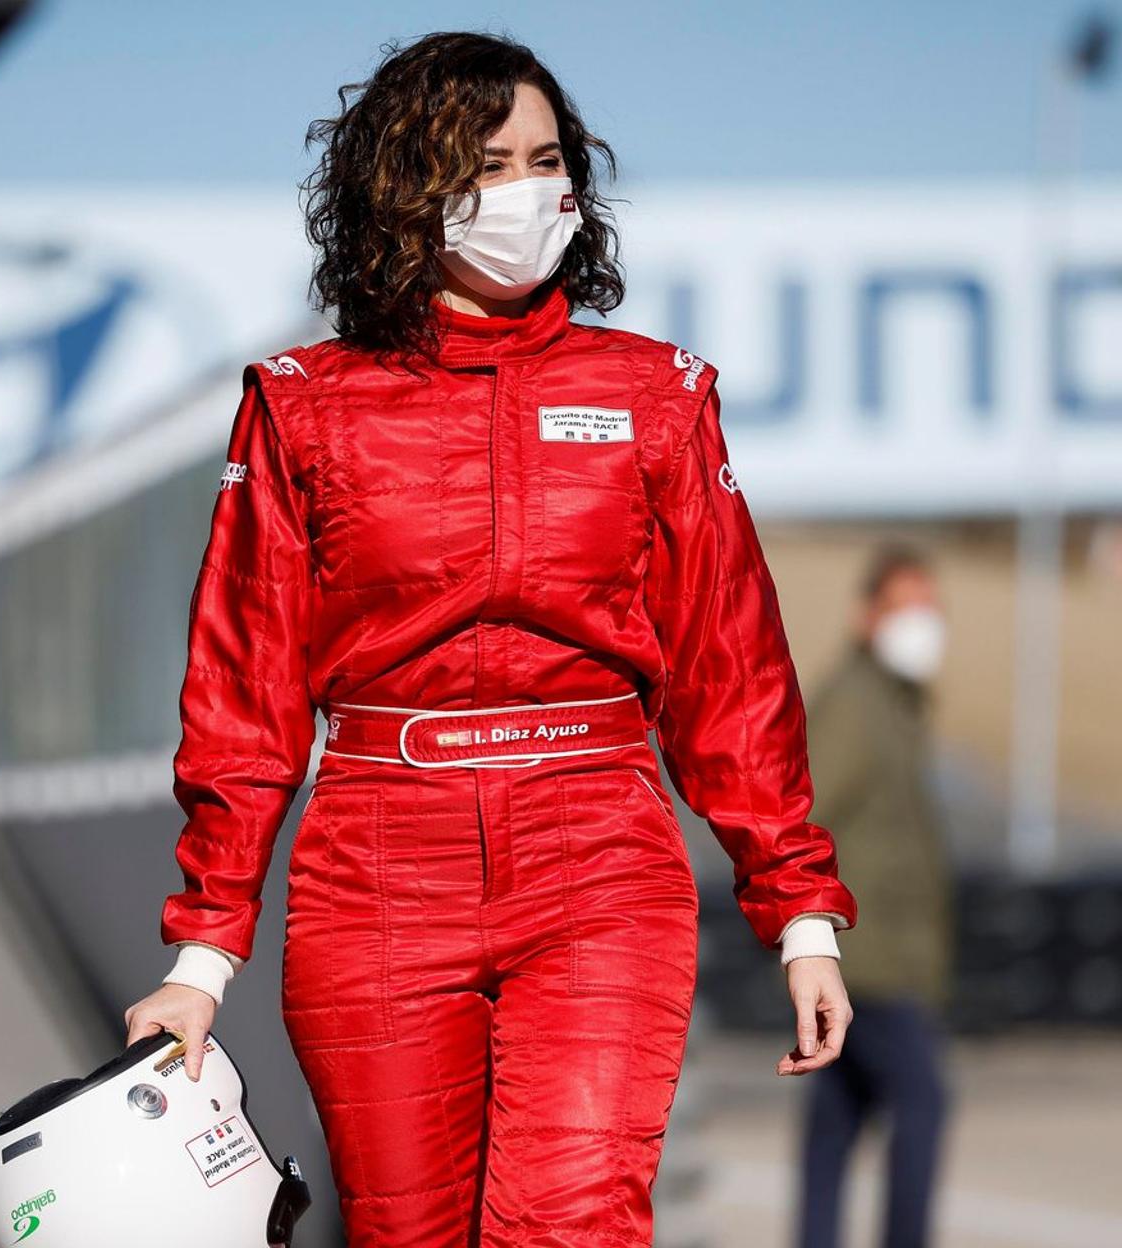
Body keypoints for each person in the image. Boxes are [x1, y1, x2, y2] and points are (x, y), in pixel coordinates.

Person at [124, 31, 859, 1247]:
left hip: (601, 857)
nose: (527, 193)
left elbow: (734, 674)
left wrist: (802, 918)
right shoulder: (299, 402)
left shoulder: (660, 395)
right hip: (376, 862)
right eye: (486, 164)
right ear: (404, 190)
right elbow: (243, 691)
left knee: (572, 1223)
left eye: (547, 160)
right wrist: (201, 960)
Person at [794, 542, 957, 1248]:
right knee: (923, 1101)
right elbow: (804, 813)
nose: (920, 623)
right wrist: (814, 930)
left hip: (884, 956)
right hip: (866, 960)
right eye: (903, 607)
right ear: (868, 616)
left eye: (928, 606)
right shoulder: (856, 706)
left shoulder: (895, 704)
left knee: (837, 1117)